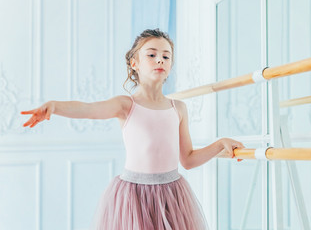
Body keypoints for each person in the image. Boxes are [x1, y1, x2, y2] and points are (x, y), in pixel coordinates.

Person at [21, 28, 244, 230]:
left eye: (166, 56)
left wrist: (220, 144)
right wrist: (54, 107)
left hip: (172, 195)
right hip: (134, 196)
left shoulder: (179, 108)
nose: (160, 60)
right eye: (152, 54)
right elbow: (88, 109)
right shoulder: (126, 105)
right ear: (134, 63)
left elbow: (187, 159)